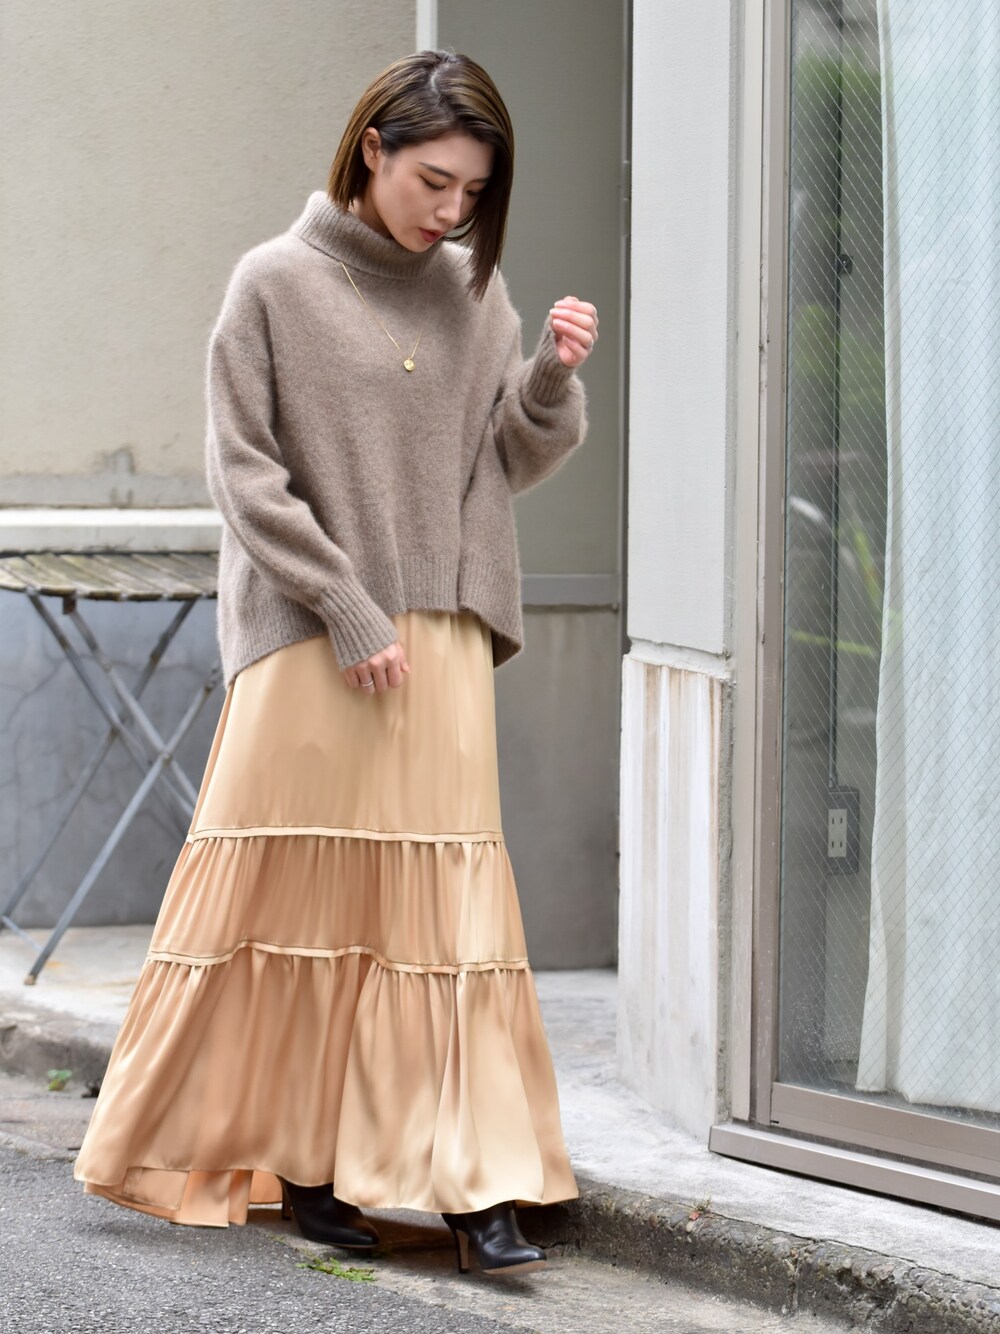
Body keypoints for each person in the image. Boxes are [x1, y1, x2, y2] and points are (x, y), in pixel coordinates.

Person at [74, 48, 598, 1278]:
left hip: (440, 637)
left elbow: (502, 461)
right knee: (297, 911)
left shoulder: (475, 291)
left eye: (472, 192)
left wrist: (549, 379)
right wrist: (347, 607)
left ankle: (476, 1187)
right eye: (432, 181)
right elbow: (244, 474)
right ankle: (307, 1164)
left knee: (445, 915)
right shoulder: (272, 282)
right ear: (372, 148)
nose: (450, 211)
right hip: (315, 638)